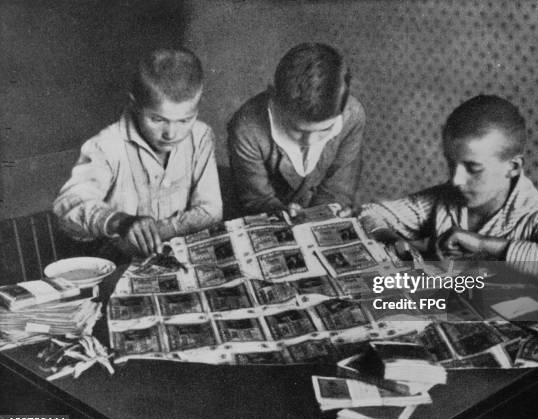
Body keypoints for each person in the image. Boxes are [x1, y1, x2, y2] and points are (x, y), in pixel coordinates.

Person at [360, 95, 538, 298]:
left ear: (513, 167)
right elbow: (371, 212)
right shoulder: (446, 198)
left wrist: (483, 244)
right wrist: (392, 239)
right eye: (452, 164)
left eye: (473, 168)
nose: (456, 180)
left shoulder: (536, 215)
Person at [53, 48, 222, 258]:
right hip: (118, 265)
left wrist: (155, 232)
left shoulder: (201, 135)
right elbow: (67, 208)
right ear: (135, 104)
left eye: (184, 120)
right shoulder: (106, 145)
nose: (171, 134)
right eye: (157, 119)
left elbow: (211, 210)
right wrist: (119, 222)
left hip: (180, 258)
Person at [228, 43, 365, 217]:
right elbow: (256, 200)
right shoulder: (246, 128)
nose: (310, 141)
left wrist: (323, 214)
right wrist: (281, 212)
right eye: (297, 130)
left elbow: (338, 189)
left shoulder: (352, 116)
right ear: (275, 99)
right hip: (267, 216)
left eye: (325, 130)